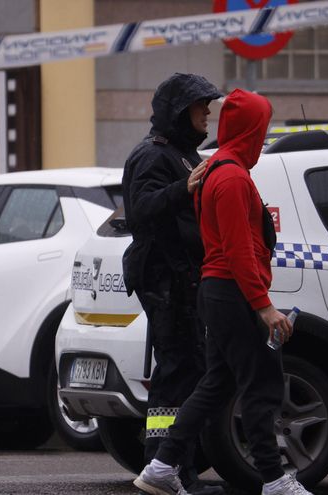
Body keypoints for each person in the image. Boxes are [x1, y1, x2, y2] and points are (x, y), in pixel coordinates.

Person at [133, 89, 312, 495]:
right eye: (261, 127)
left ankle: (162, 465)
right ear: (251, 129)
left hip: (219, 292)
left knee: (218, 383)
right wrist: (264, 307)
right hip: (231, 292)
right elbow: (238, 250)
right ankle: (273, 479)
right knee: (261, 384)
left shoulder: (218, 169)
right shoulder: (231, 176)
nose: (263, 136)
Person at [121, 73, 224, 495]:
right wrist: (186, 187)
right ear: (182, 111)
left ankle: (175, 466)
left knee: (186, 369)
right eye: (202, 106)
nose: (209, 112)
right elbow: (141, 210)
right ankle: (165, 467)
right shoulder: (152, 156)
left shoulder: (181, 153)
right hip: (164, 278)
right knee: (177, 370)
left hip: (182, 278)